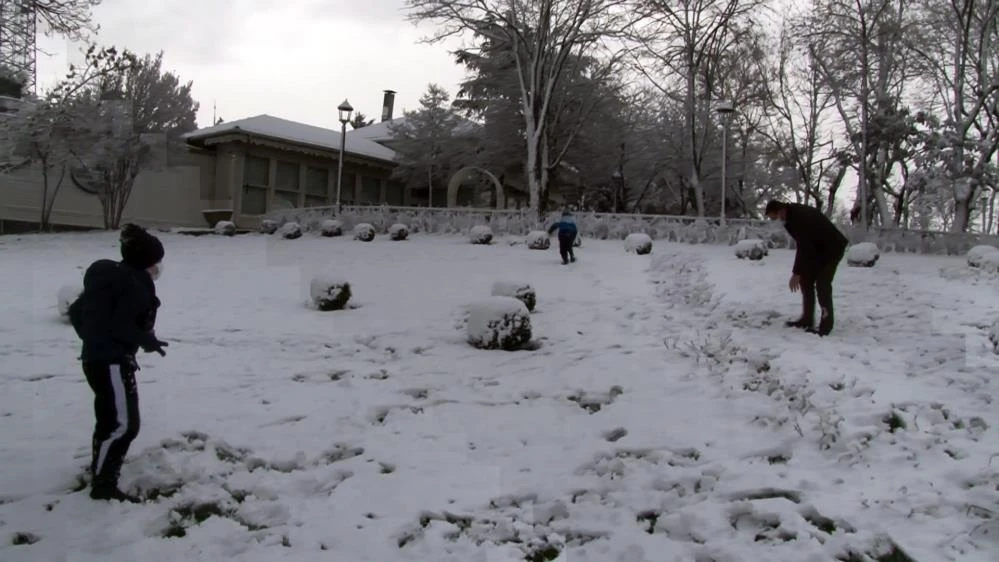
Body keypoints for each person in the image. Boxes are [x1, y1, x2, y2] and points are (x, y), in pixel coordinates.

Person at [68, 224, 169, 502]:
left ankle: (101, 469)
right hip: (112, 362)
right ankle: (103, 485)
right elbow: (121, 325)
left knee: (109, 418)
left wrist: (93, 339)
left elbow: (77, 311)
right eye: (155, 262)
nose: (157, 267)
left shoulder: (110, 279)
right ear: (145, 261)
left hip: (96, 358)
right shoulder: (132, 283)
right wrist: (146, 341)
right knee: (124, 425)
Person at [764, 200, 849, 336]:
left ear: (781, 210)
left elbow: (804, 246)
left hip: (832, 248)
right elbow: (804, 245)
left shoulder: (800, 217)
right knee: (806, 280)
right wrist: (799, 273)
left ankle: (825, 326)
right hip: (817, 249)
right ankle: (807, 319)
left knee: (822, 284)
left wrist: (796, 273)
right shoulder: (790, 218)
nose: (776, 220)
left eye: (774, 216)